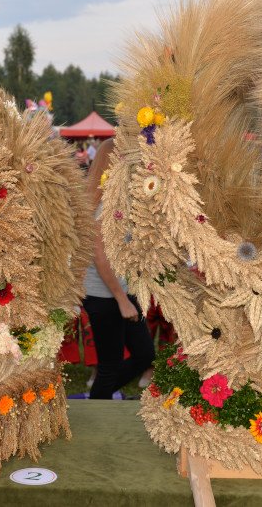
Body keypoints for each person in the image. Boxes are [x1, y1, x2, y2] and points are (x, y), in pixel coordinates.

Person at [81, 139, 154, 399]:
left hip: (121, 290)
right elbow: (100, 257)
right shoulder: (101, 204)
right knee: (109, 366)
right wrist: (122, 300)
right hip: (104, 294)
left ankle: (98, 398)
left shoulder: (118, 200)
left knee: (145, 354)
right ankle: (97, 407)